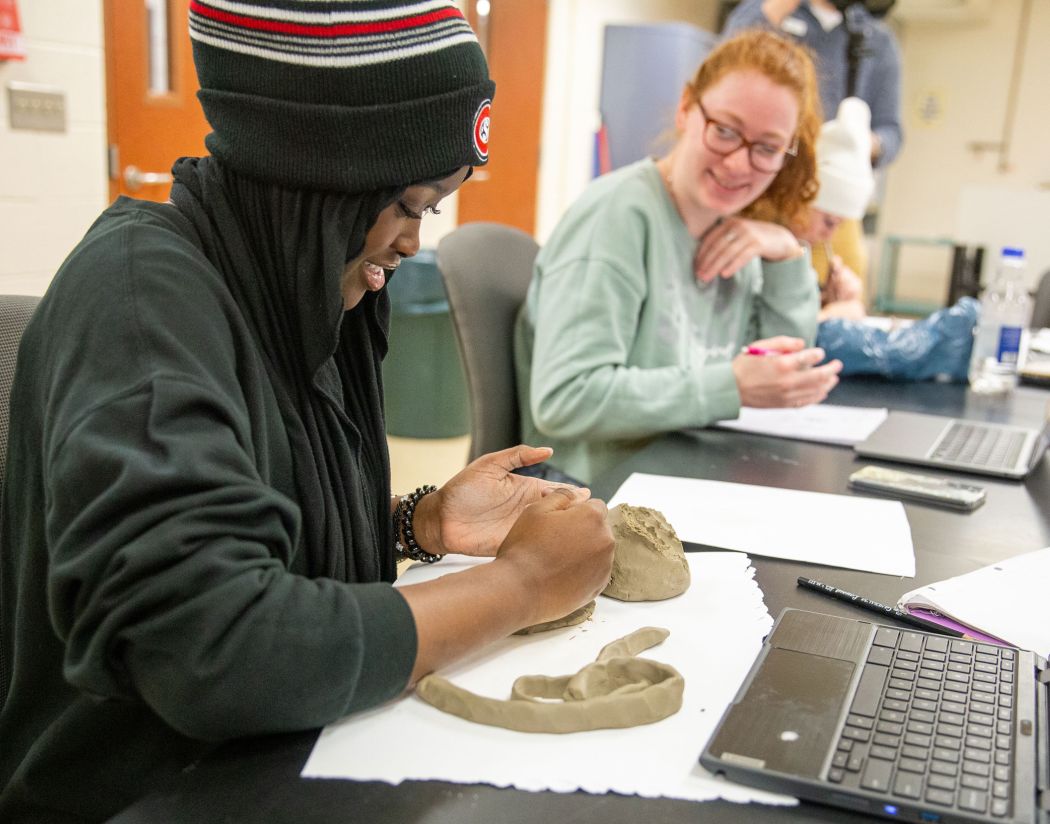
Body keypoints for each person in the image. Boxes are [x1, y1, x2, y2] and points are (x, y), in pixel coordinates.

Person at [0, 3, 615, 821]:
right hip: (148, 795)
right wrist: (522, 583)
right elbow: (213, 649)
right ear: (311, 169)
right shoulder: (141, 303)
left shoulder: (299, 281)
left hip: (291, 759)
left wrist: (415, 524)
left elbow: (265, 541)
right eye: (405, 202)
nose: (410, 243)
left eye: (428, 211)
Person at [515, 30, 843, 485]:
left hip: (683, 467)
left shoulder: (736, 230)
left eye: (766, 148)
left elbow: (780, 374)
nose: (738, 164)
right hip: (590, 488)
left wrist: (786, 253)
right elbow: (566, 399)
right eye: (725, 131)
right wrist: (730, 386)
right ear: (687, 108)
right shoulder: (618, 217)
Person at [723, 0, 903, 283]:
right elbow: (730, 59)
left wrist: (858, 143)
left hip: (835, 202)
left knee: (843, 288)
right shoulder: (769, 14)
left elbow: (892, 134)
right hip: (769, 189)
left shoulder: (876, 40)